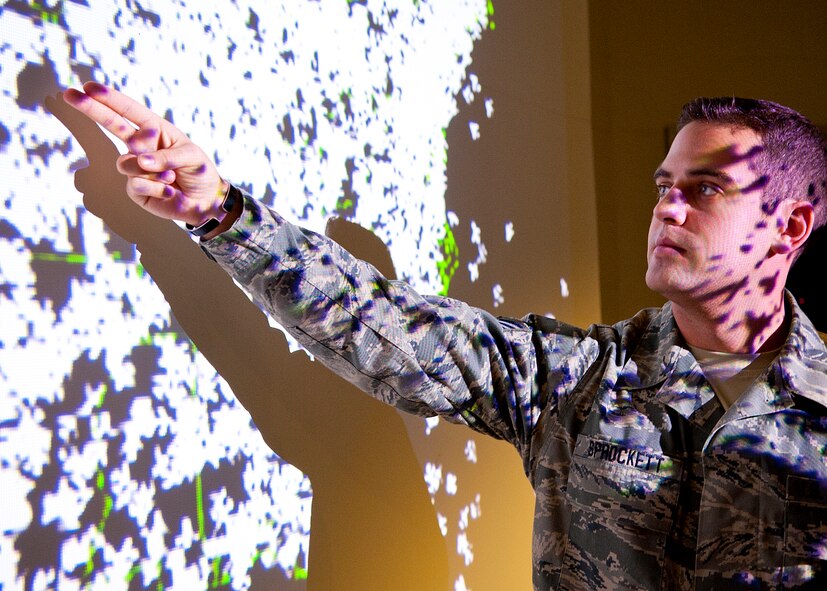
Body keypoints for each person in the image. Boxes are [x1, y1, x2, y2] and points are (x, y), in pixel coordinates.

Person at [64, 82, 827, 590]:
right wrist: (219, 212)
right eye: (664, 187)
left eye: (704, 190)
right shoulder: (574, 378)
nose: (667, 209)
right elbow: (381, 322)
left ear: (789, 226)